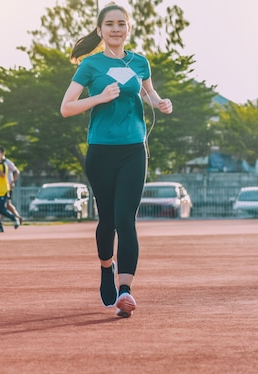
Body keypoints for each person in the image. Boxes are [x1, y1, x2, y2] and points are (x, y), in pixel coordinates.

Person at [60, 4, 173, 318]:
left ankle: (126, 291)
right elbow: (66, 108)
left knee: (126, 219)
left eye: (121, 24)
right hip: (100, 151)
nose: (115, 29)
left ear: (128, 29)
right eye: (109, 24)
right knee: (107, 221)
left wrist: (160, 102)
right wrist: (99, 97)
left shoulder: (139, 62)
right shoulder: (90, 65)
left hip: (134, 150)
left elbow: (148, 93)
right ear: (100, 31)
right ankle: (105, 268)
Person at [0, 145, 24, 223]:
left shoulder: (7, 162)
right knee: (6, 204)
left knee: (5, 203)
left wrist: (13, 181)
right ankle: (18, 217)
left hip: (7, 186)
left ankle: (1, 220)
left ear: (3, 153)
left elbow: (16, 171)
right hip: (0, 186)